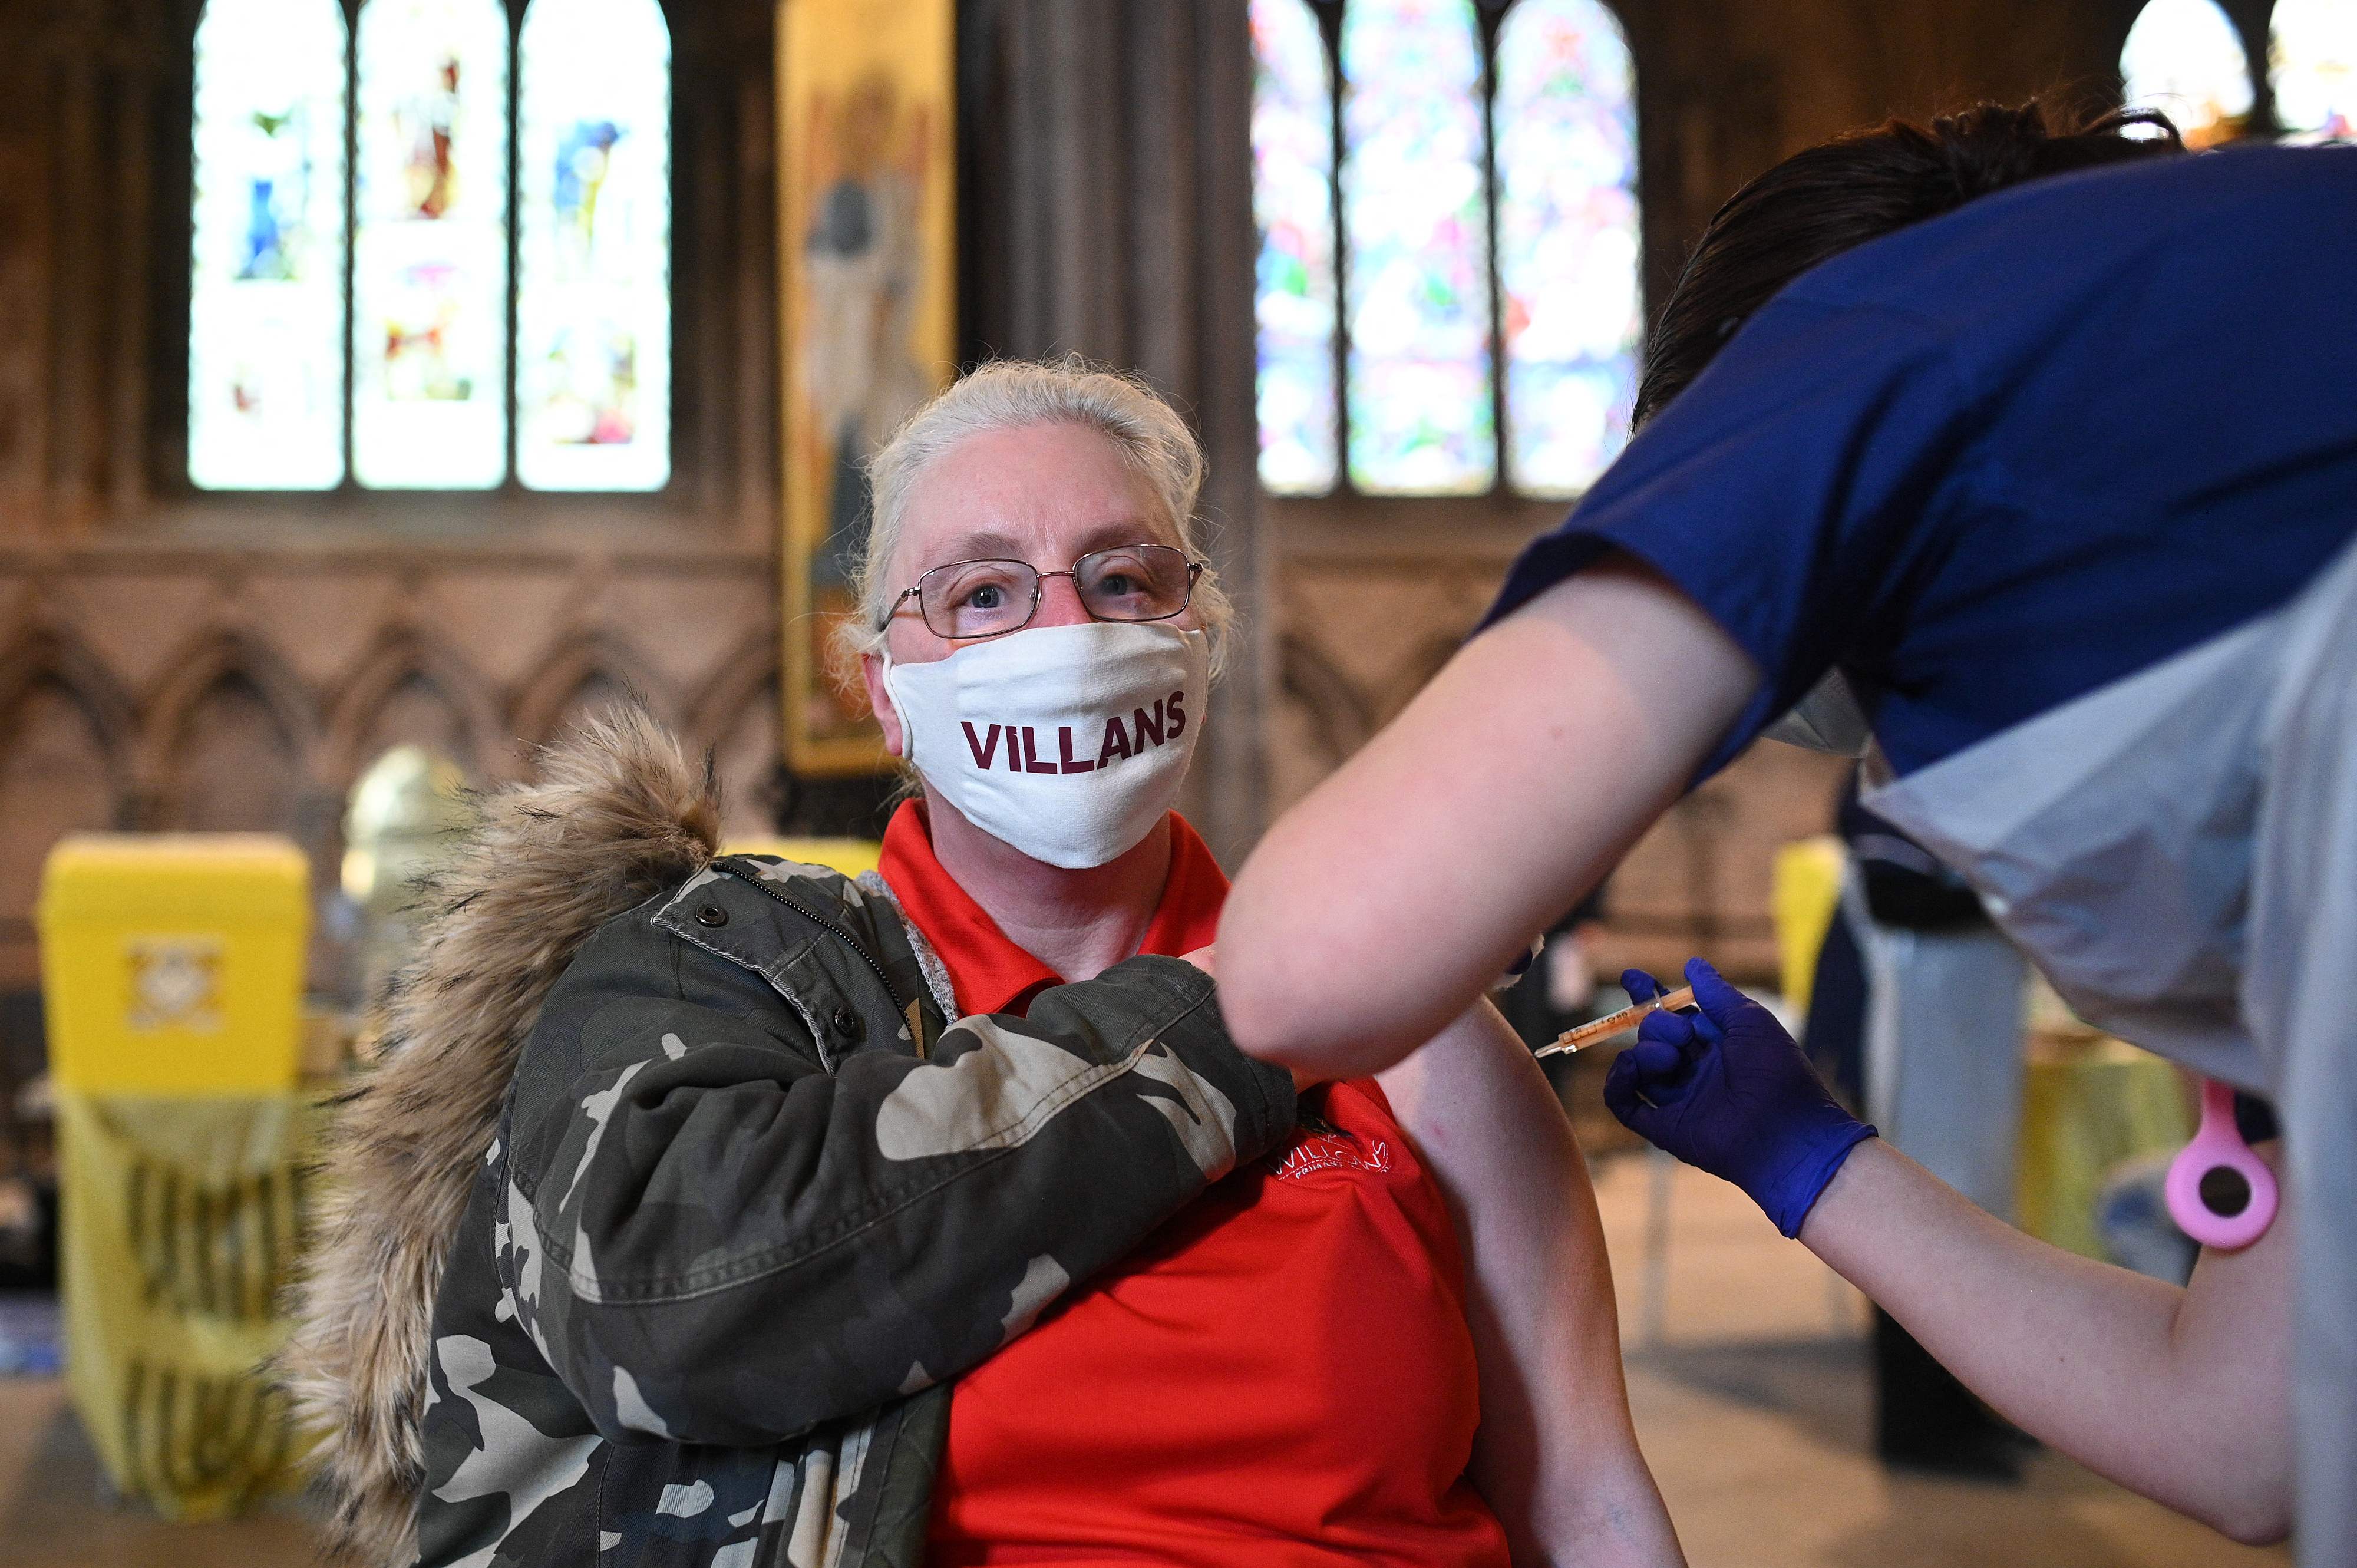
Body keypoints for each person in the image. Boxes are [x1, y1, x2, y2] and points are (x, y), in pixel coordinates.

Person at [286, 359, 1682, 1568]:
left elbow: (1584, 1501)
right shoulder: (733, 976)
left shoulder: (1416, 1040)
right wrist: (1259, 996)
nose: (1065, 633)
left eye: (1123, 576)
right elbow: (669, 1301)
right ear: (879, 684)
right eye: (981, 593)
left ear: (1198, 634)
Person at [1215, 101, 2356, 1561]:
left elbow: (1308, 962)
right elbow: (2245, 1439)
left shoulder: (1879, 329)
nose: (1884, 751)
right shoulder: (2237, 362)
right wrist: (1807, 1156)